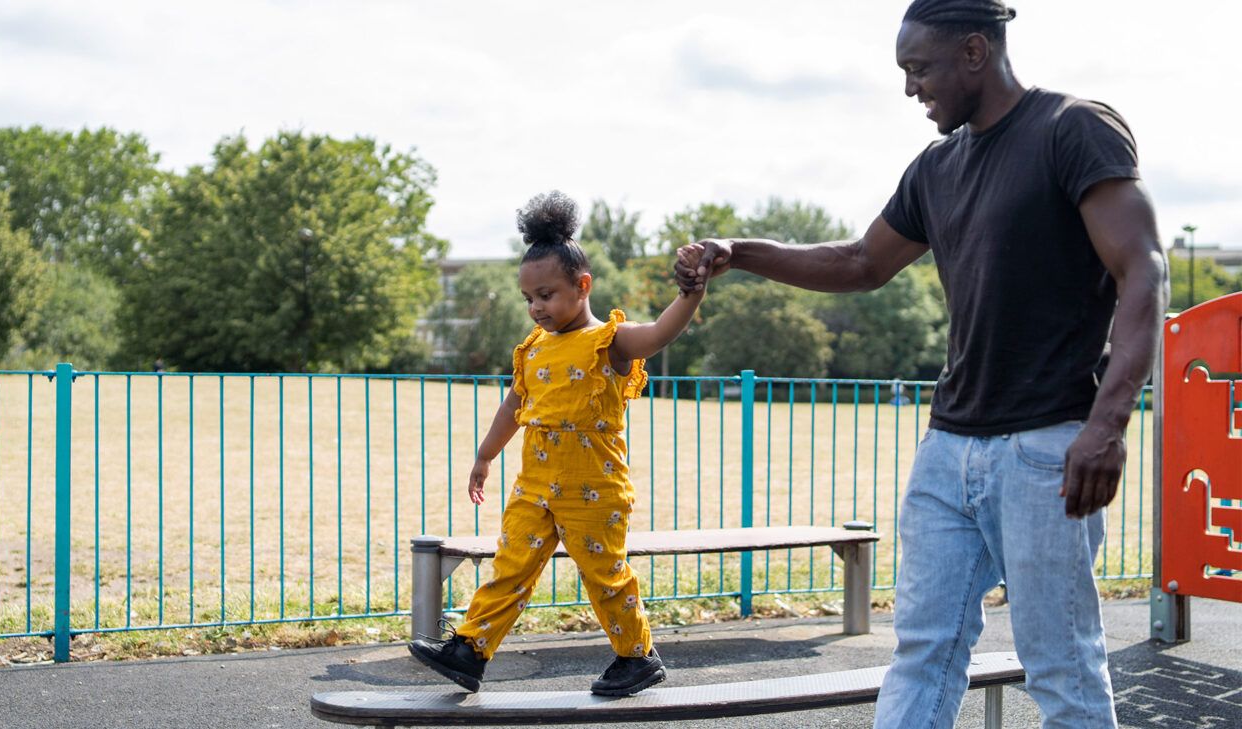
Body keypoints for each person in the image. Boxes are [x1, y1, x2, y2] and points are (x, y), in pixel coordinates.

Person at [674, 2, 1166, 726]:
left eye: (919, 69)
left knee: (1060, 663)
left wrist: (1108, 423)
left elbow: (1144, 271)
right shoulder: (937, 166)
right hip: (948, 451)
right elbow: (862, 261)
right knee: (923, 650)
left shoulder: (1071, 128)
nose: (911, 89)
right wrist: (737, 252)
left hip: (1046, 450)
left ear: (974, 52)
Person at [409, 190, 708, 696]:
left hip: (594, 487)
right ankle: (470, 650)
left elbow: (658, 333)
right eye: (528, 298)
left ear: (582, 286)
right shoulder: (534, 349)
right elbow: (513, 407)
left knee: (604, 575)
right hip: (535, 484)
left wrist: (691, 294)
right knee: (511, 564)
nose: (536, 308)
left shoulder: (608, 341)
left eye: (545, 295)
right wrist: (485, 456)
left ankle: (637, 656)